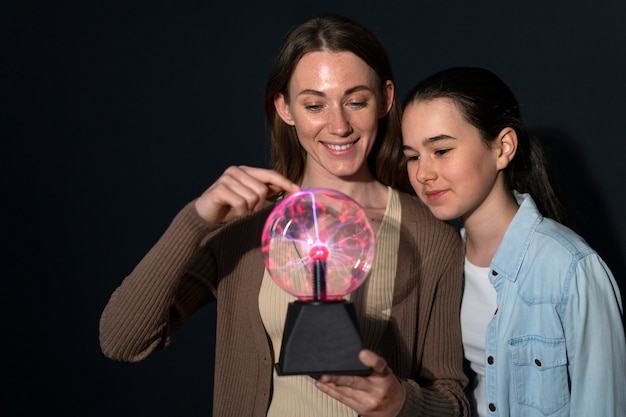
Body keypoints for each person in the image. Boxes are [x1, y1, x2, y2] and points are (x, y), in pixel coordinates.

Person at [99, 15, 469, 417]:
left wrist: (400, 402)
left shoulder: (429, 239)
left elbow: (452, 402)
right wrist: (196, 221)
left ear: (385, 99)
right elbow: (121, 340)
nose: (339, 125)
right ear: (285, 108)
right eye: (315, 105)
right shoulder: (246, 227)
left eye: (356, 101)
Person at [400, 66, 626, 417]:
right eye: (413, 156)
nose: (423, 173)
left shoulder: (569, 268)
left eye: (441, 150)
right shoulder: (441, 261)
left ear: (503, 147)